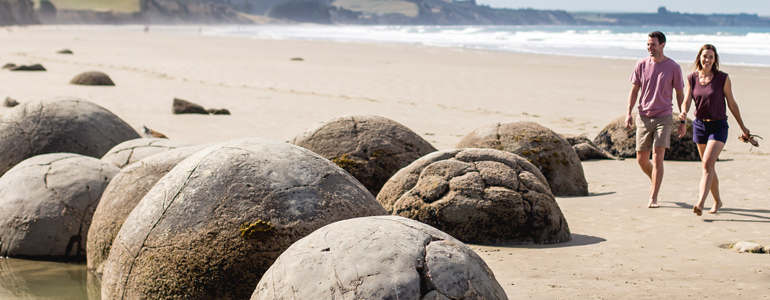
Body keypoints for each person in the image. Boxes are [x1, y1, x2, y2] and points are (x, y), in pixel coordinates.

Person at [678, 44, 751, 216]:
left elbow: (731, 103)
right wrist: (683, 114)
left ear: (715, 59)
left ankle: (700, 203)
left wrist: (742, 126)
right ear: (699, 58)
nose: (707, 60)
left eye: (711, 57)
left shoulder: (722, 78)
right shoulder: (692, 78)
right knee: (708, 166)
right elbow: (687, 101)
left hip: (718, 126)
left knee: (707, 164)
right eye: (705, 56)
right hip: (700, 126)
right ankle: (717, 201)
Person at [625, 31, 685, 208]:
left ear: (662, 45)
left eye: (653, 45)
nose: (650, 48)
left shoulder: (673, 67)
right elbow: (634, 91)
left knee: (658, 157)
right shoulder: (641, 65)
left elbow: (680, 93)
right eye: (648, 45)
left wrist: (683, 118)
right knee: (642, 159)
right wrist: (628, 112)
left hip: (664, 117)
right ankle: (656, 180)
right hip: (644, 117)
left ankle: (653, 197)